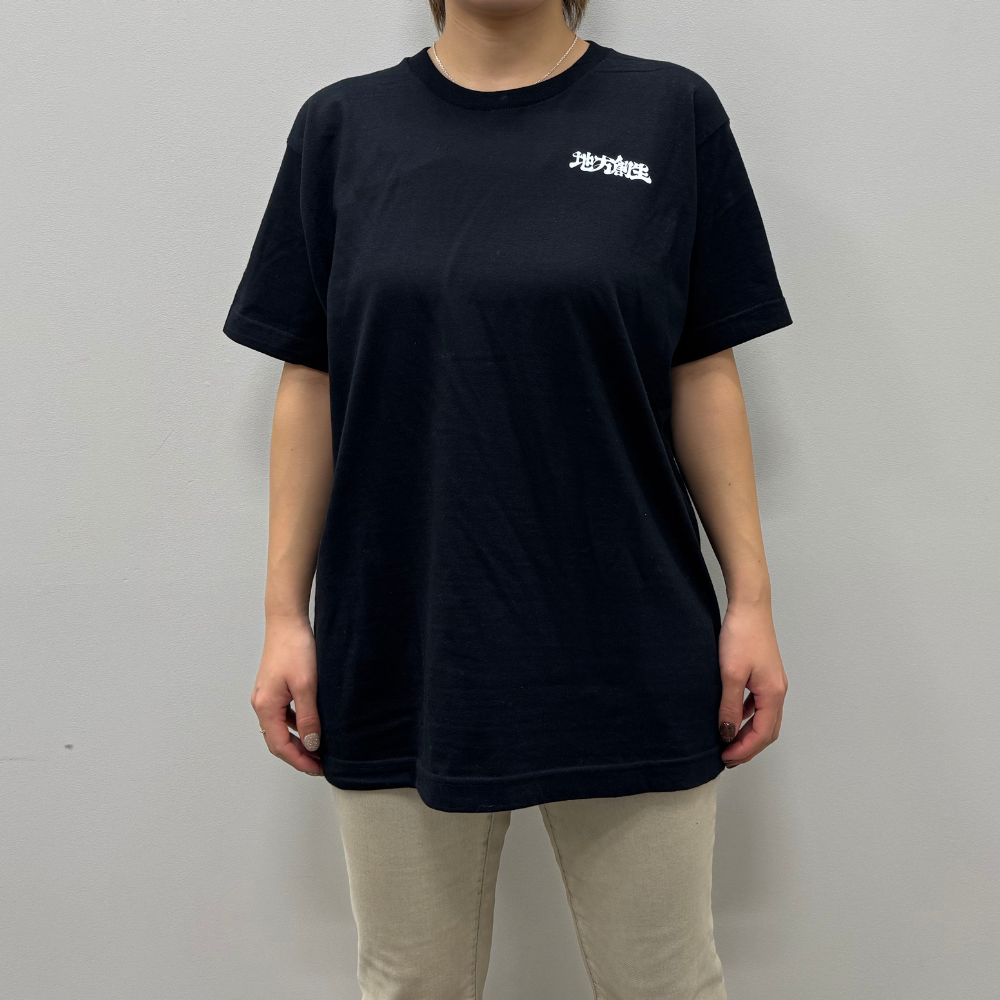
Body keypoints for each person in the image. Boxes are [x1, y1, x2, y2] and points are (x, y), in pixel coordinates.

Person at [223, 1, 791, 997]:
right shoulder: (341, 128)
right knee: (411, 982)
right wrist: (283, 616)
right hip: (402, 637)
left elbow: (702, 367)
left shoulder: (668, 114)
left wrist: (751, 600)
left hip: (628, 632)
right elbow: (309, 381)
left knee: (664, 982)